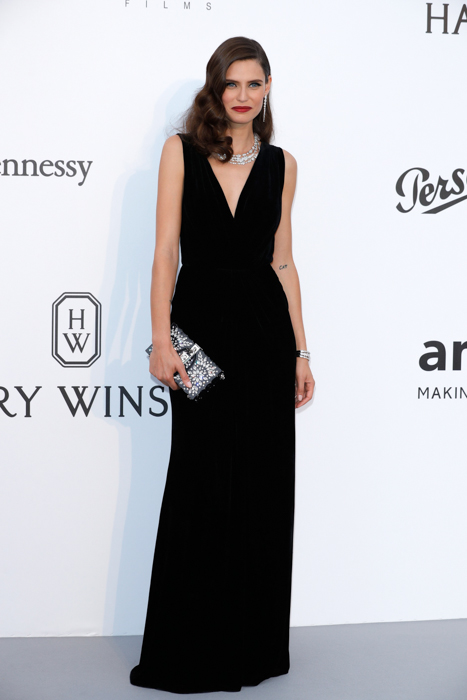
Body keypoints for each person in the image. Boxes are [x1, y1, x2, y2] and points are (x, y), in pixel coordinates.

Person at [130, 36, 315, 694]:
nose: (242, 95)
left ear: (267, 90)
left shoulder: (283, 164)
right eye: (231, 83)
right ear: (215, 88)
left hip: (266, 340)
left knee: (262, 487)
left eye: (254, 84)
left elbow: (283, 262)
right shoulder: (178, 152)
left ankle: (252, 646)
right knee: (200, 480)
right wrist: (161, 339)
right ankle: (190, 647)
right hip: (198, 338)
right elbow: (164, 253)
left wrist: (301, 351)